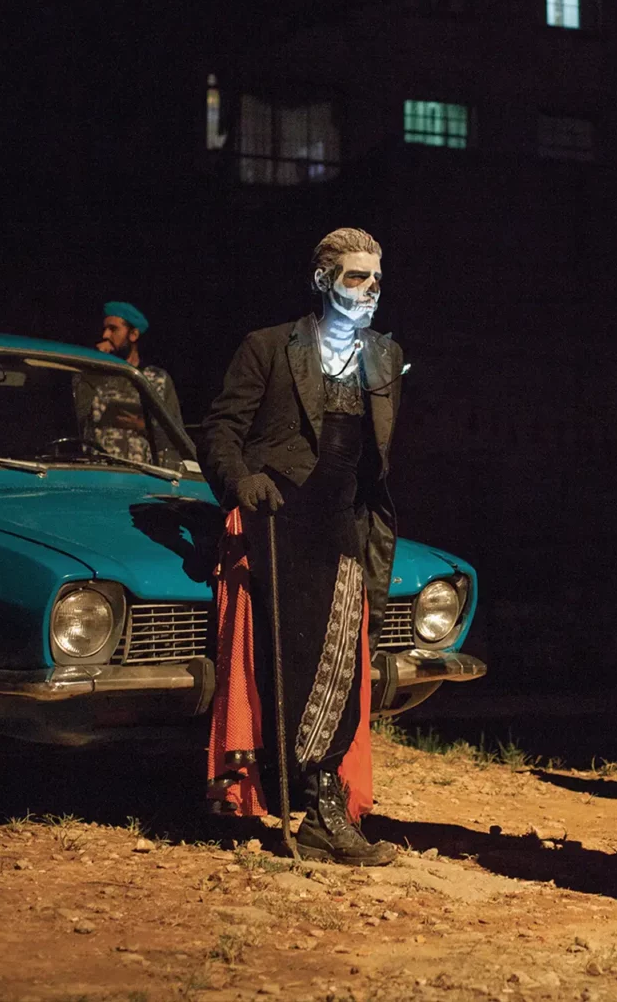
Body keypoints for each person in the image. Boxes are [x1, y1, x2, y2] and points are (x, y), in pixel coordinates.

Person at [200, 227, 402, 867]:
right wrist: (241, 480)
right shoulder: (267, 347)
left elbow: (375, 457)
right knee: (288, 667)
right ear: (322, 281)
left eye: (375, 278)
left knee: (342, 664)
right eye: (354, 277)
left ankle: (325, 810)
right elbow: (221, 431)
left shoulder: (384, 358)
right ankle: (304, 804)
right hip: (279, 521)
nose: (368, 289)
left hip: (343, 525)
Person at [90, 300, 184, 462]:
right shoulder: (93, 376)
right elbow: (78, 422)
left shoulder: (157, 379)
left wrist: (144, 427)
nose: (105, 335)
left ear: (133, 334)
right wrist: (95, 364)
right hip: (100, 473)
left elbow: (176, 436)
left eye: (113, 329)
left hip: (142, 476)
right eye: (105, 329)